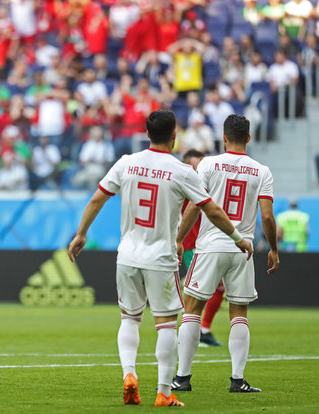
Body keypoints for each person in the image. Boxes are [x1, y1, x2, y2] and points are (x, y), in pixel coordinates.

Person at [68, 110, 253, 407]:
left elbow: (97, 198)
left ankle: (130, 375)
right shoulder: (181, 171)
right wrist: (237, 238)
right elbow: (212, 210)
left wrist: (80, 234)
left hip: (127, 255)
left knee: (129, 319)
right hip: (160, 257)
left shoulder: (127, 162)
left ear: (146, 132)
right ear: (174, 135)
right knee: (166, 324)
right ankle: (164, 391)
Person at [173, 114, 279, 394]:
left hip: (209, 246)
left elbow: (195, 206)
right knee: (239, 313)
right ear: (249, 137)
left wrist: (180, 238)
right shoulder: (262, 171)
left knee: (192, 308)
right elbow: (267, 217)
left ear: (224, 137)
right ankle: (237, 380)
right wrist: (273, 250)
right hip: (242, 248)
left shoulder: (208, 163)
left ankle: (182, 378)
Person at [181, 150, 224, 347]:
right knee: (196, 290)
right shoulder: (182, 186)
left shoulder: (206, 185)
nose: (198, 172)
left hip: (207, 243)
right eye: (194, 167)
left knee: (217, 287)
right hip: (190, 245)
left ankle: (203, 329)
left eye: (200, 166)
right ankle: (188, 331)